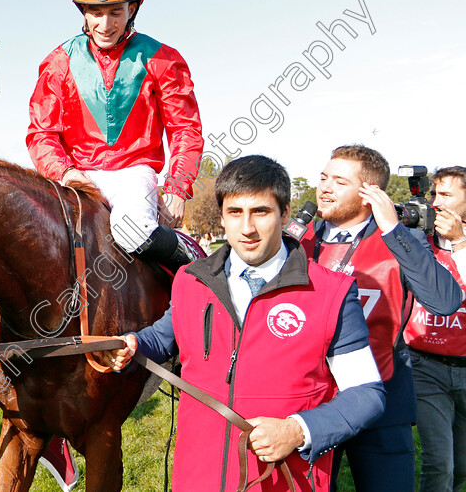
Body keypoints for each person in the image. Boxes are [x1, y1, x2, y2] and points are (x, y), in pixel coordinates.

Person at [111, 155, 385, 490]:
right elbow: (163, 336)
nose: (247, 228)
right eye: (235, 213)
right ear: (222, 217)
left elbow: (367, 394)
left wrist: (298, 430)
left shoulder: (332, 293)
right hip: (197, 474)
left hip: (284, 478)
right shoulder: (190, 280)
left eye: (261, 212)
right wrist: (133, 343)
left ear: (284, 213)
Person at [26, 0, 204, 272]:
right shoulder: (59, 62)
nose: (105, 25)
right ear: (84, 11)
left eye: (115, 12)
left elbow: (185, 130)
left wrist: (178, 188)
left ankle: (196, 266)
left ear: (132, 9)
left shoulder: (163, 59)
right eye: (95, 12)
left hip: (133, 173)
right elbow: (42, 134)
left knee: (131, 232)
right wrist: (64, 172)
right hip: (75, 175)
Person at [301, 145, 463, 491]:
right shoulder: (299, 240)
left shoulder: (401, 239)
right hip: (312, 402)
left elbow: (445, 300)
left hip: (383, 400)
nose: (325, 188)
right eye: (324, 177)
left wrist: (393, 230)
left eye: (339, 182)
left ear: (368, 194)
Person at [402, 166, 466, 492]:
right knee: (440, 462)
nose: (436, 202)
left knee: (462, 465)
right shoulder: (420, 237)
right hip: (425, 362)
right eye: (434, 194)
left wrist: (459, 241)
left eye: (447, 195)